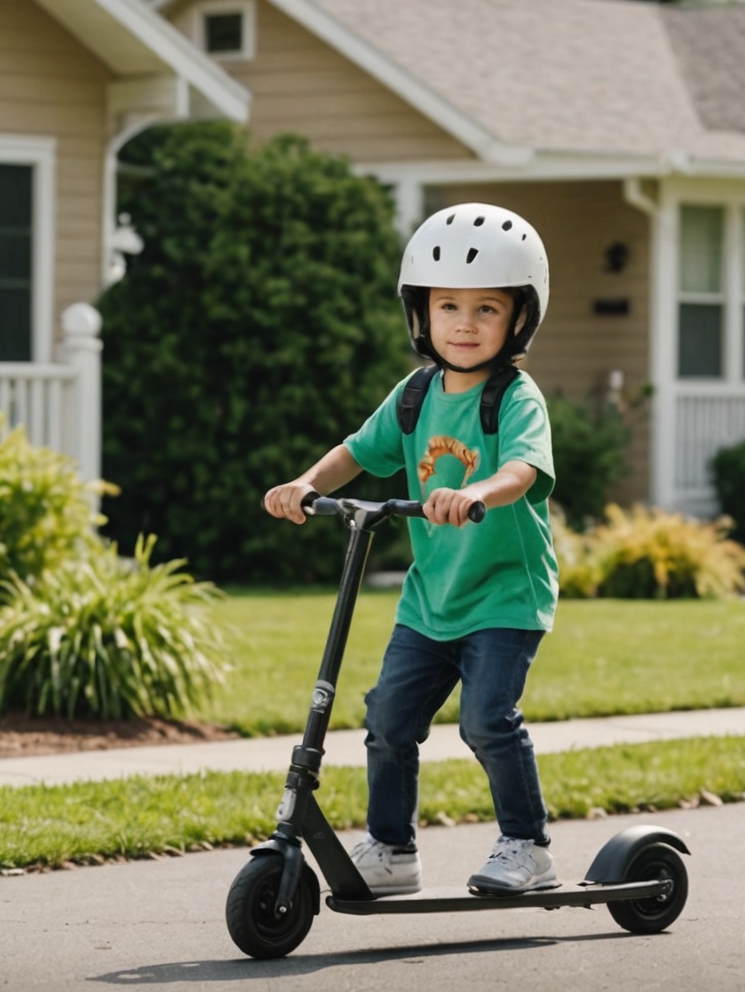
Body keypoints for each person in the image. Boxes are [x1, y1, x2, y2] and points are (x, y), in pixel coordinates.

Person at [261, 203, 561, 897]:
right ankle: (392, 851)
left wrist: (478, 490)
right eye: (448, 304)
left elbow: (524, 470)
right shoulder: (415, 394)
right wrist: (306, 484)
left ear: (519, 319)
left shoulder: (513, 398)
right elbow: (357, 453)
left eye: (486, 308)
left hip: (504, 597)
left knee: (488, 721)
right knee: (388, 721)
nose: (464, 322)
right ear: (420, 313)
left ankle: (528, 844)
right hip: (431, 600)